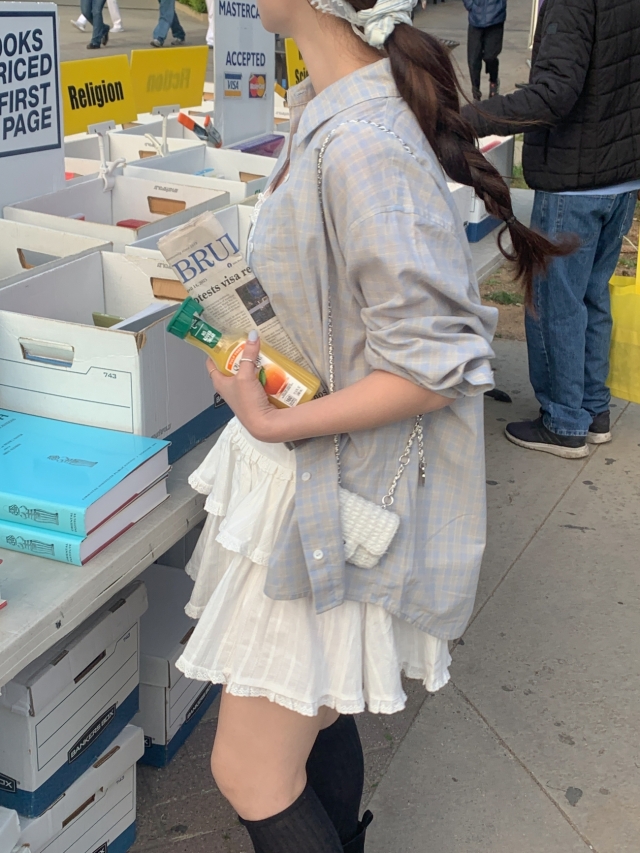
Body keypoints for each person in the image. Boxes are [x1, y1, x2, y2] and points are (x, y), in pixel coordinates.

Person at [172, 0, 570, 850]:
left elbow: (434, 362)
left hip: (331, 492)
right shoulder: (340, 108)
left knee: (249, 770)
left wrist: (274, 422)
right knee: (309, 720)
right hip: (322, 482)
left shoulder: (361, 140)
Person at [463, 0, 640, 458]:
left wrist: (468, 118)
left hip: (576, 180)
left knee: (556, 305)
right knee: (590, 299)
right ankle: (592, 410)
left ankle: (564, 422)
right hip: (621, 176)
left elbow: (554, 95)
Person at [463, 0, 506, 100]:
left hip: (496, 18)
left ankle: (494, 81)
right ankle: (476, 93)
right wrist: (470, 5)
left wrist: (500, 6)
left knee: (490, 56)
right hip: (475, 18)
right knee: (473, 60)